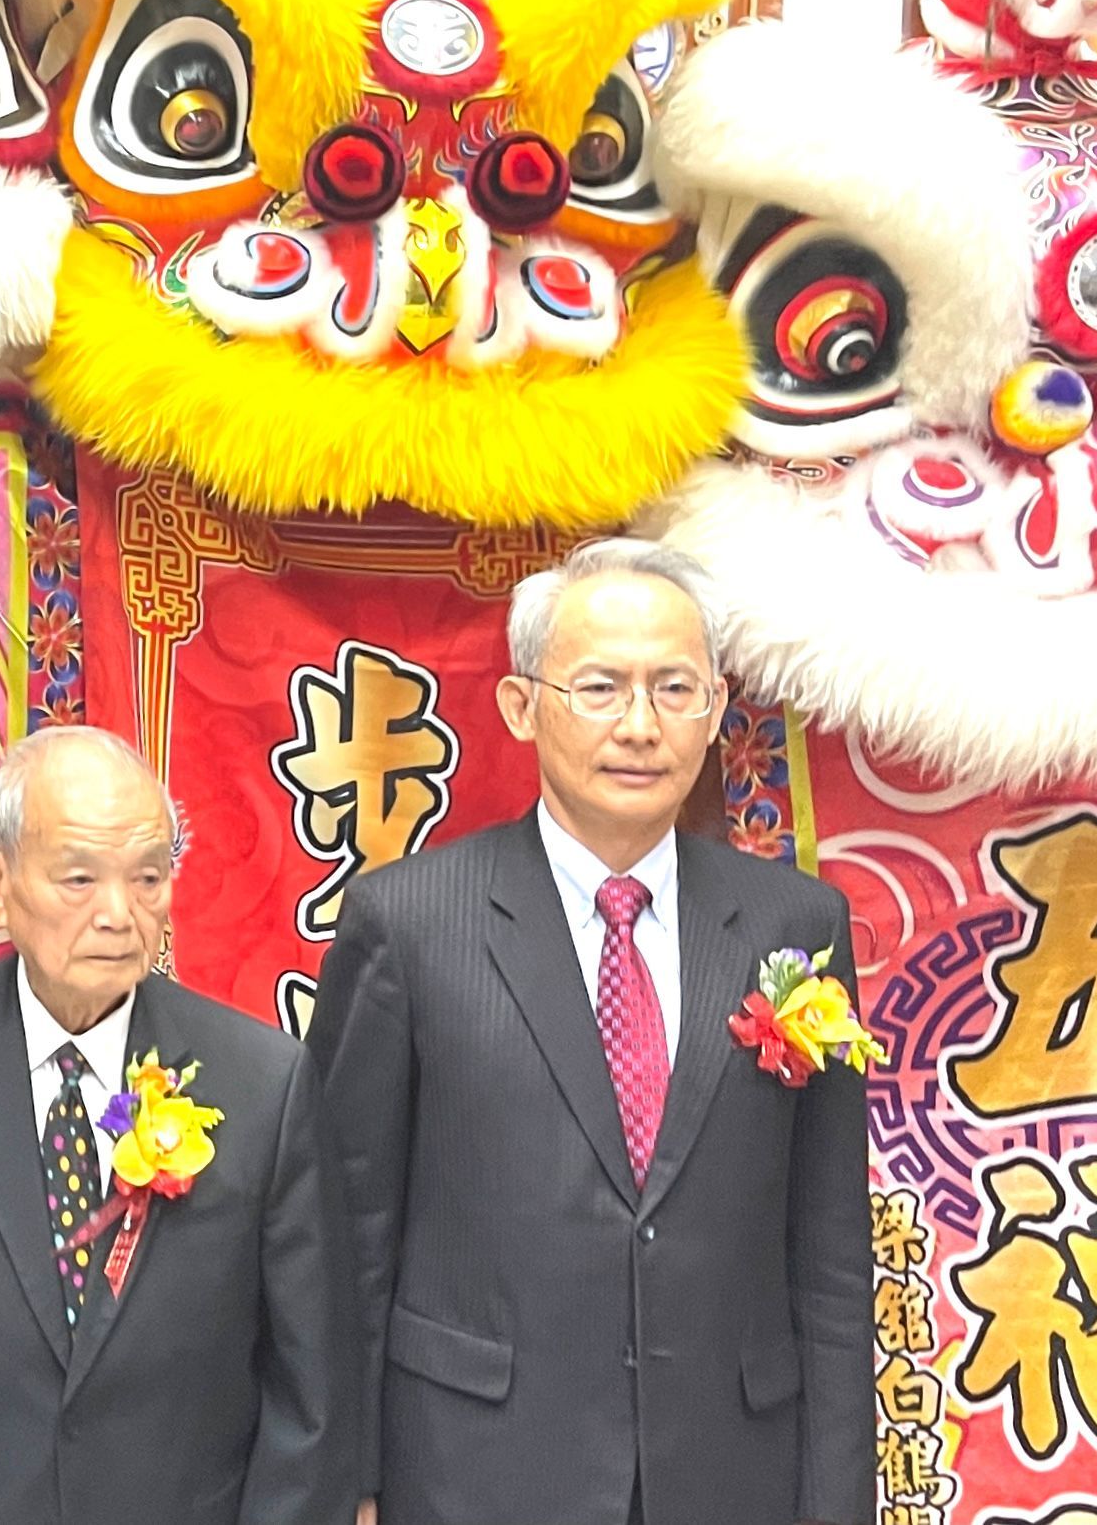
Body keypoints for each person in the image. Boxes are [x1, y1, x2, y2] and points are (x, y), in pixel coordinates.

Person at [308, 538, 873, 1525]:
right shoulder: (409, 923)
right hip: (475, 1472)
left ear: (714, 710)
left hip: (728, 1475)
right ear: (522, 707)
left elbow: (826, 1255)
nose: (640, 725)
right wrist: (347, 1485)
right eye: (601, 687)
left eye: (674, 688)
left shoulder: (794, 926)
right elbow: (349, 1233)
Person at [0, 726, 342, 1525]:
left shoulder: (262, 1083)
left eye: (148, 877)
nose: (119, 914)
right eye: (79, 877)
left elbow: (307, 1392)